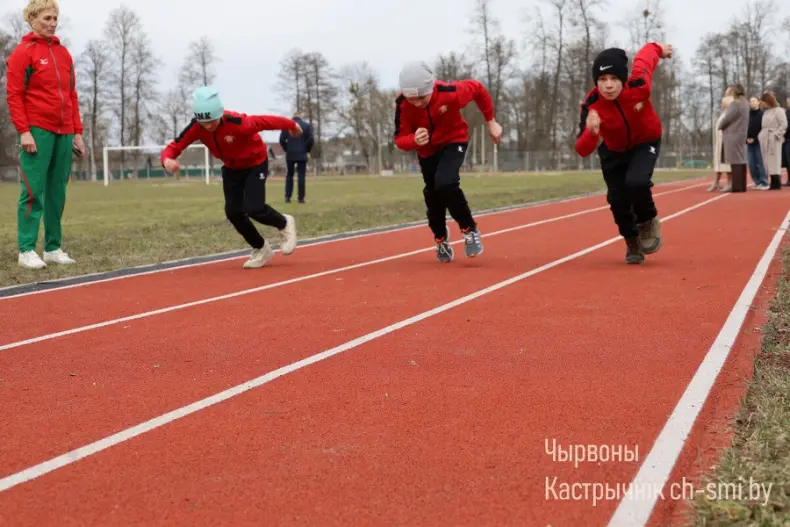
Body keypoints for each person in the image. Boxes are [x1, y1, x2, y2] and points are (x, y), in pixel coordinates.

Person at [161, 87, 301, 269]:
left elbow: (266, 121)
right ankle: (261, 248)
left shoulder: (238, 122)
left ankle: (284, 223)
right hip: (232, 168)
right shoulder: (195, 127)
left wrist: (291, 125)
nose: (208, 126)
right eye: (204, 122)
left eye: (212, 120)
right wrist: (167, 160)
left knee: (254, 208)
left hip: (255, 163)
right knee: (233, 212)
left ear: (219, 113)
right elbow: (174, 147)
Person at [393, 61, 502, 262]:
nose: (417, 103)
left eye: (421, 98)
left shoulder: (450, 92)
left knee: (446, 183)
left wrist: (491, 121)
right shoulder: (402, 105)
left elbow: (478, 89)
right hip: (427, 152)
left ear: (430, 88)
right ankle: (441, 239)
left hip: (454, 141)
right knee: (432, 196)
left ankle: (469, 229)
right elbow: (399, 138)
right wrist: (413, 140)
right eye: (412, 99)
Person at [5, 0, 85, 270]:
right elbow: (14, 96)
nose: (52, 23)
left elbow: (72, 96)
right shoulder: (22, 53)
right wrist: (24, 132)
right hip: (37, 131)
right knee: (33, 191)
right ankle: (26, 249)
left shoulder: (64, 55)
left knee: (56, 193)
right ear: (32, 19)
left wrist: (78, 133)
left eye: (55, 18)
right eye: (47, 18)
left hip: (64, 132)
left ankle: (52, 247)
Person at [575, 42, 672, 264]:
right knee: (617, 198)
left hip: (645, 139)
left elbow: (645, 56)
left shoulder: (639, 84)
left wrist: (660, 49)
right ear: (596, 82)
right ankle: (631, 240)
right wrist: (591, 131)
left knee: (637, 181)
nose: (608, 86)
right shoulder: (591, 105)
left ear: (623, 78)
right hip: (613, 148)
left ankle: (647, 221)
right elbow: (582, 150)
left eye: (614, 79)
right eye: (602, 80)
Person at [717, 83, 750, 192]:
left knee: (735, 162)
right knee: (741, 161)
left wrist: (720, 125)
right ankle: (741, 186)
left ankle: (736, 186)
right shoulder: (745, 102)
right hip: (741, 135)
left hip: (733, 134)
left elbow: (727, 118)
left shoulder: (736, 103)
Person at [279, 113, 313, 203]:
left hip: (290, 154)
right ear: (300, 117)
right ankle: (301, 198)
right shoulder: (306, 126)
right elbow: (311, 139)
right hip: (302, 153)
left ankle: (287, 197)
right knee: (301, 176)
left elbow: (281, 140)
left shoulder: (287, 125)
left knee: (289, 175)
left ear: (293, 117)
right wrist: (306, 149)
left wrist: (287, 148)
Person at [757, 91, 788, 190]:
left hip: (774, 138)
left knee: (774, 160)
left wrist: (776, 135)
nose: (763, 104)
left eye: (764, 102)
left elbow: (784, 125)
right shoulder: (766, 112)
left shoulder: (778, 111)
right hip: (765, 138)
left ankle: (776, 181)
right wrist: (761, 135)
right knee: (767, 161)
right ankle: (772, 181)